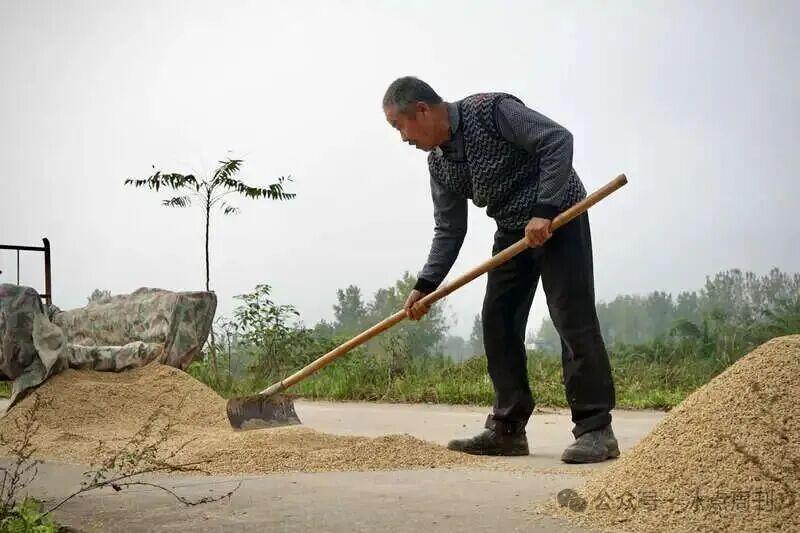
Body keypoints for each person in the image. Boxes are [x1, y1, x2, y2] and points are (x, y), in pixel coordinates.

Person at [382, 76, 617, 463]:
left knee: (570, 317)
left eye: (399, 126)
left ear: (422, 110)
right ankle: (507, 430)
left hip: (559, 216)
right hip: (513, 230)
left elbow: (557, 140)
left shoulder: (490, 110)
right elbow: (449, 229)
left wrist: (544, 210)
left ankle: (596, 430)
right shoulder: (439, 164)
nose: (402, 137)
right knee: (497, 320)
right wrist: (425, 285)